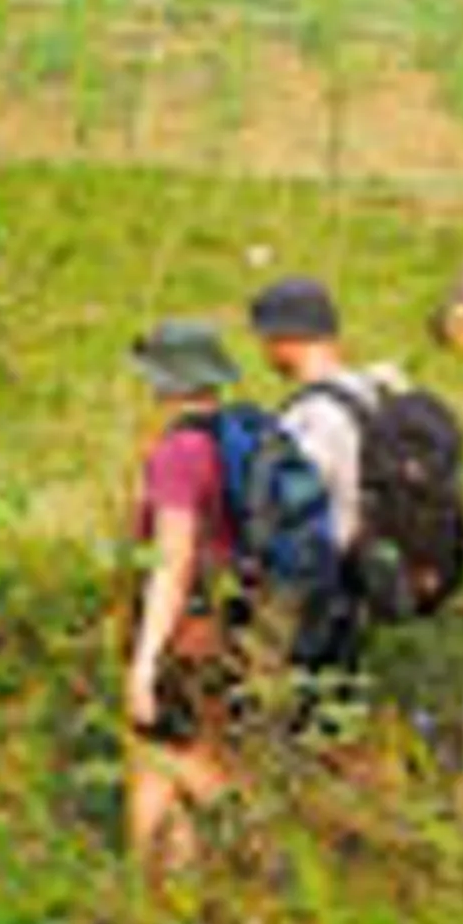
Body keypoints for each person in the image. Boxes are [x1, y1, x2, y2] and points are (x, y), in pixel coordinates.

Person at [123, 320, 249, 884]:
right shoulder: (231, 438)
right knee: (160, 761)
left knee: (176, 757)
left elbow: (171, 562)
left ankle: (264, 845)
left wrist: (146, 658)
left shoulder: (178, 454)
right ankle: (164, 891)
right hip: (226, 622)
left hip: (184, 629)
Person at [250, 276, 402, 693]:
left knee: (310, 704)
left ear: (284, 340)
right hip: (376, 574)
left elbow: (296, 509)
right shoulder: (375, 391)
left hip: (327, 585)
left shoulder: (310, 418)